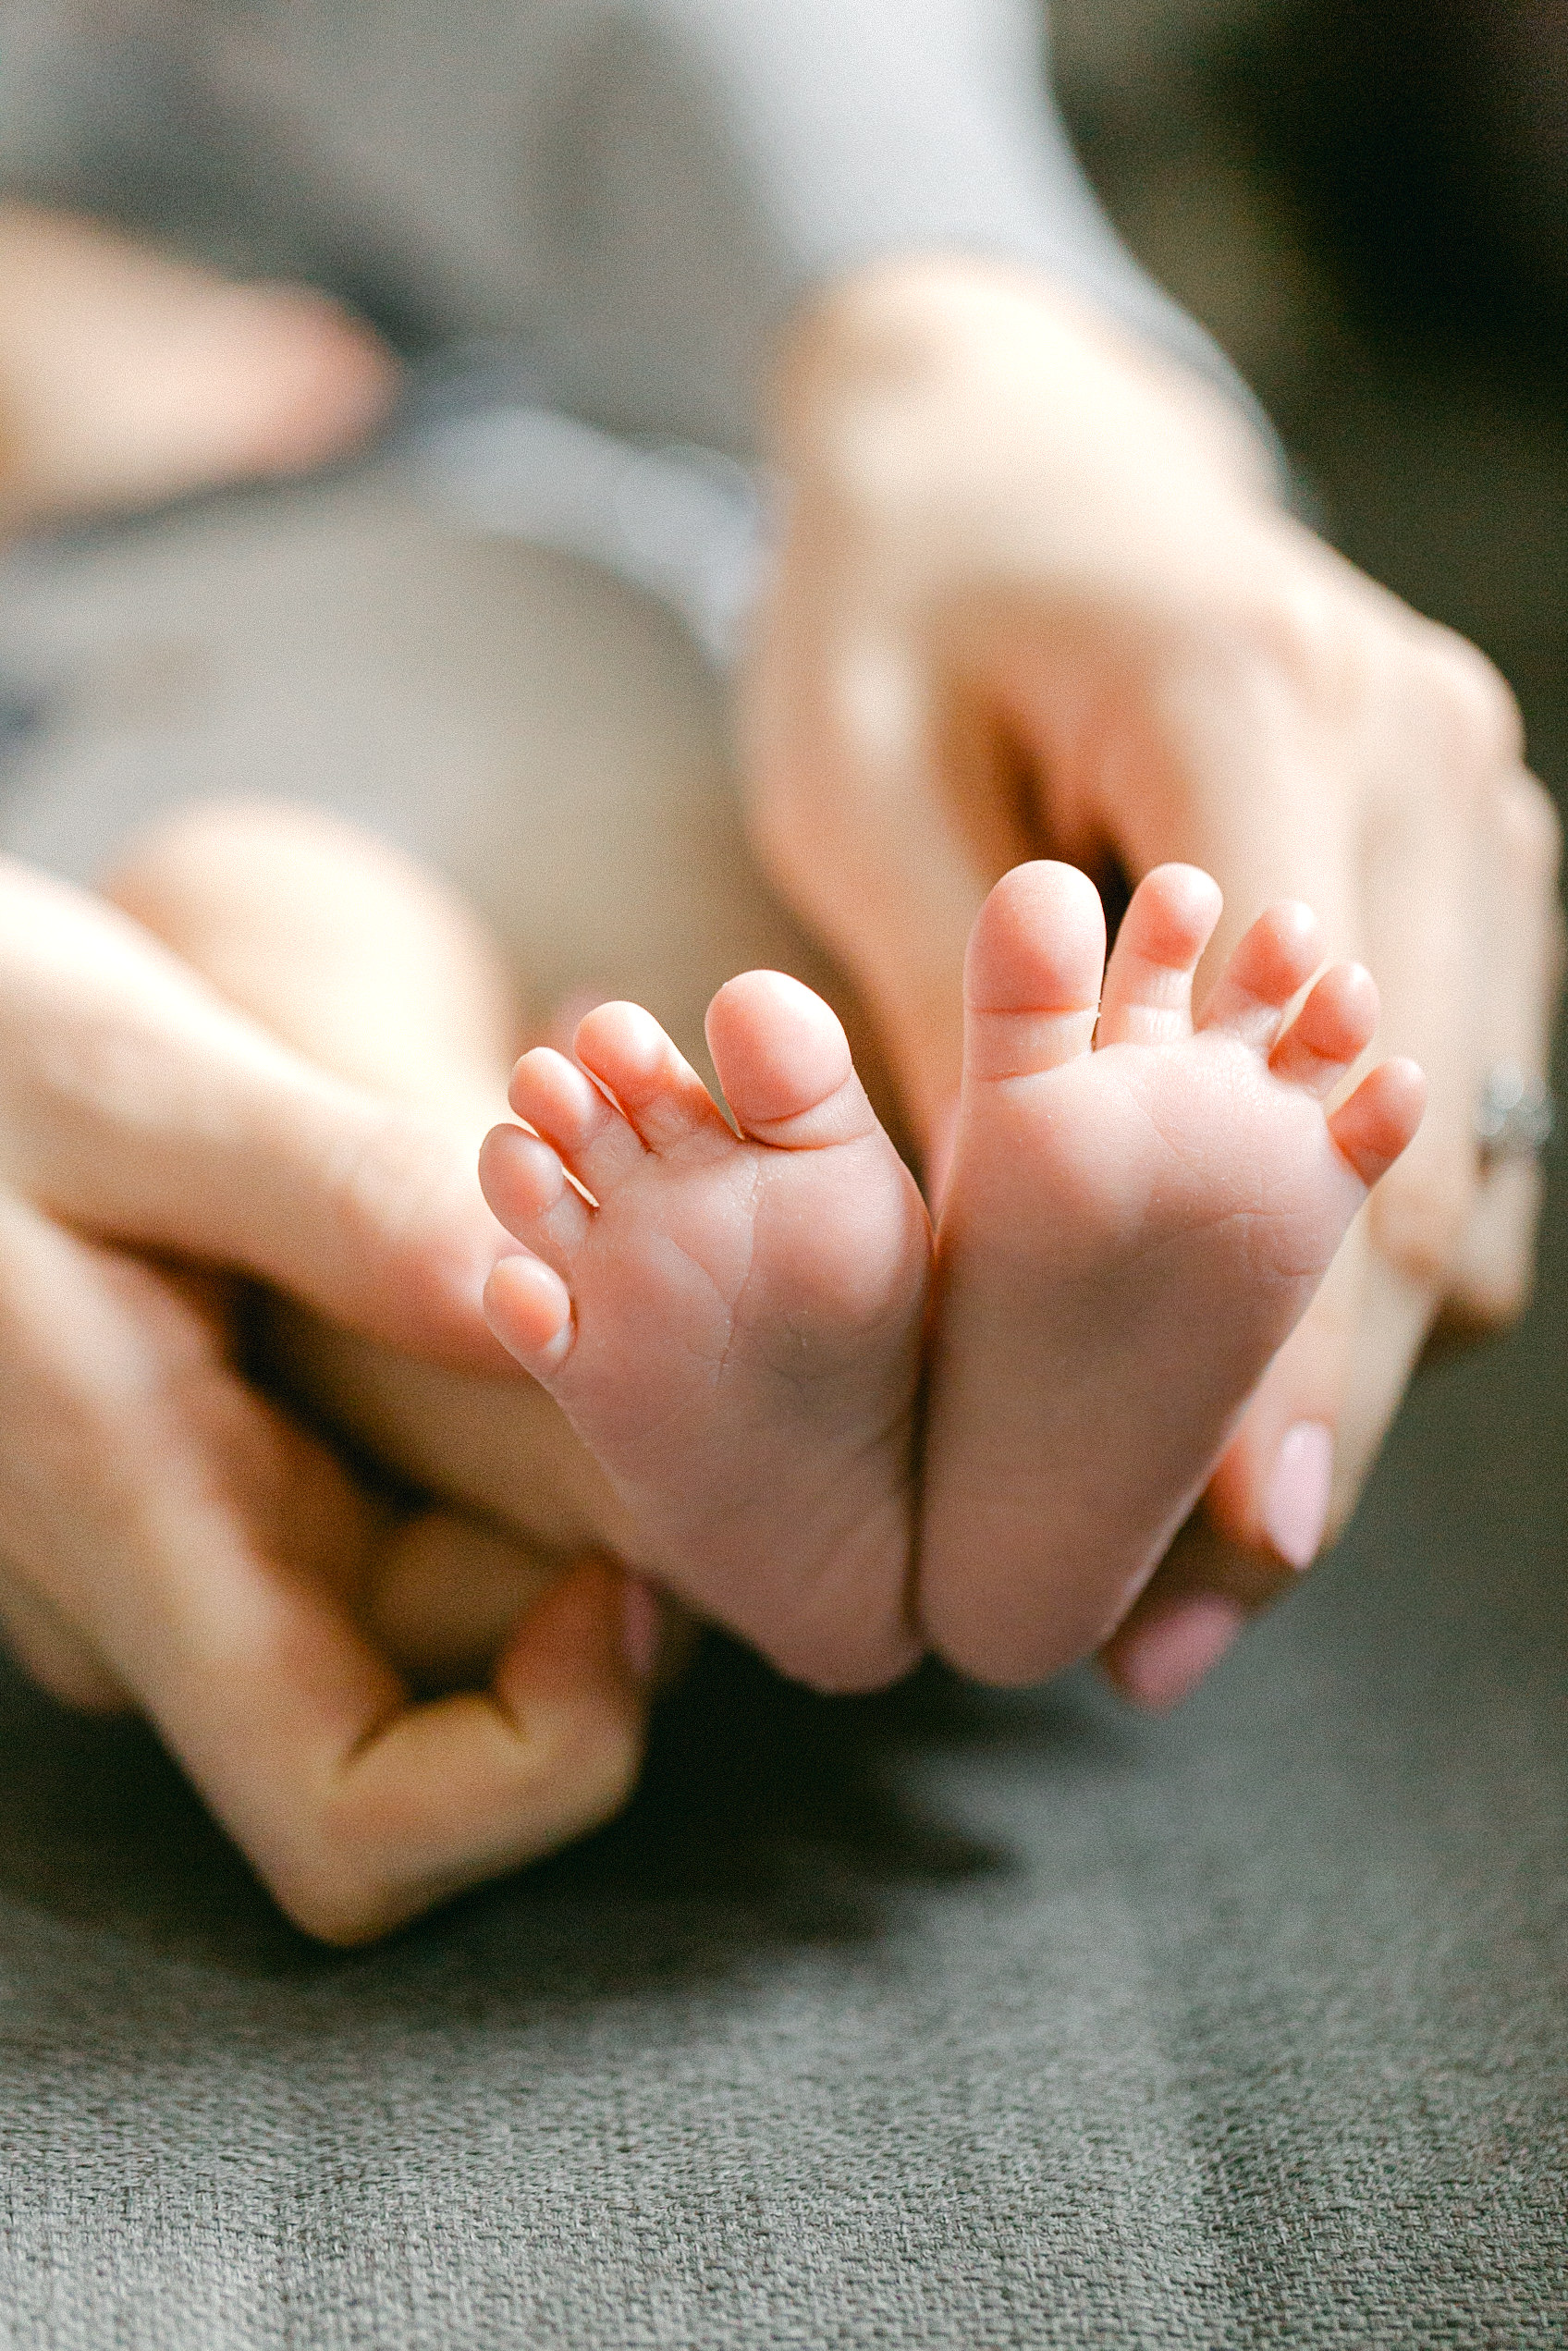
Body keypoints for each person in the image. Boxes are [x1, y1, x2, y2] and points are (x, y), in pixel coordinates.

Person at [0, 0, 1557, 1941]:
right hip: (143, 728)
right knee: (303, 1016)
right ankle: (825, 1419)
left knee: (695, 1009)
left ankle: (920, 1344)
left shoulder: (310, 286)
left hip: (506, 544)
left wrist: (940, 338)